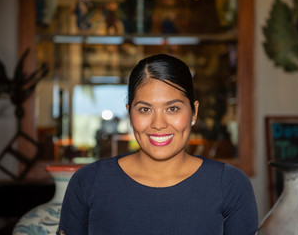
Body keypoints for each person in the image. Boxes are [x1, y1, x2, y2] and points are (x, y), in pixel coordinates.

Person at [56, 54, 258, 235]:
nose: (158, 124)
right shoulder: (88, 182)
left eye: (172, 109)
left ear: (194, 112)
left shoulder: (229, 185)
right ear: (129, 113)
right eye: (145, 110)